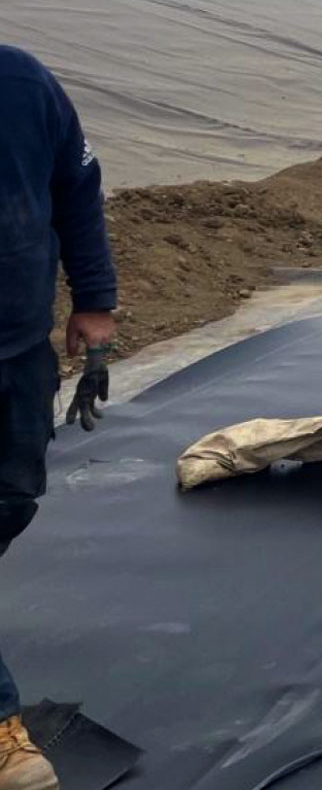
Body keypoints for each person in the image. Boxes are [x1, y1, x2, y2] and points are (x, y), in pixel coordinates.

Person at [0, 46, 117, 790]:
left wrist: (95, 298)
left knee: (12, 498)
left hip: (14, 353)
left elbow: (76, 189)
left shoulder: (23, 82)